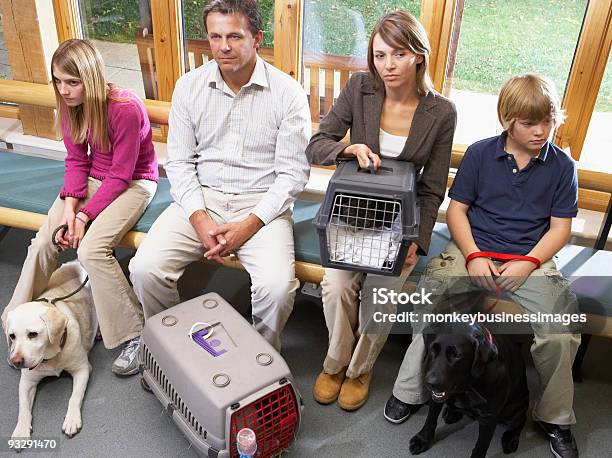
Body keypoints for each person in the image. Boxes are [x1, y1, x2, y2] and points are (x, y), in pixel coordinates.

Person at [384, 74, 581, 458]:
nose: (541, 131)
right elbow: (457, 211)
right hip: (474, 250)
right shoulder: (479, 154)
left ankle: (555, 417)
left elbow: (560, 230)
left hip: (531, 259)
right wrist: (473, 255)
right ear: (508, 120)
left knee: (560, 332)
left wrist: (527, 263)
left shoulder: (562, 167)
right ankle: (410, 392)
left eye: (548, 122)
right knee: (430, 307)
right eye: (529, 123)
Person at [129, 0, 310, 352]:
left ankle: (258, 360)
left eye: (234, 36)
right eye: (215, 36)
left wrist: (247, 225)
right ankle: (176, 350)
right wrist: (198, 217)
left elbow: (292, 176)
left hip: (260, 205)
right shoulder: (188, 86)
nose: (223, 46)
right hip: (201, 197)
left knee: (276, 287)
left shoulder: (287, 94)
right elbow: (179, 163)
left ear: (257, 38)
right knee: (145, 268)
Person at [305, 10, 457, 411]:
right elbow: (316, 143)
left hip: (398, 225)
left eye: (398, 55)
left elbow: (432, 188)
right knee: (336, 287)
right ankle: (336, 363)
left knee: (381, 293)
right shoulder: (359, 89)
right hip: (351, 216)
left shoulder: (441, 112)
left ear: (418, 56)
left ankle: (359, 370)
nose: (387, 66)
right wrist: (348, 149)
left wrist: (416, 240)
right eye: (379, 55)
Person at [1, 39, 159, 376]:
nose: (65, 89)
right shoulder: (69, 105)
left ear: (92, 77)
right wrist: (71, 210)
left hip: (134, 181)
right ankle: (19, 320)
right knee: (44, 241)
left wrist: (85, 218)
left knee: (91, 250)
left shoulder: (125, 108)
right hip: (92, 179)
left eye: (72, 82)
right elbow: (75, 162)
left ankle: (136, 335)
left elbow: (120, 175)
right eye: (58, 81)